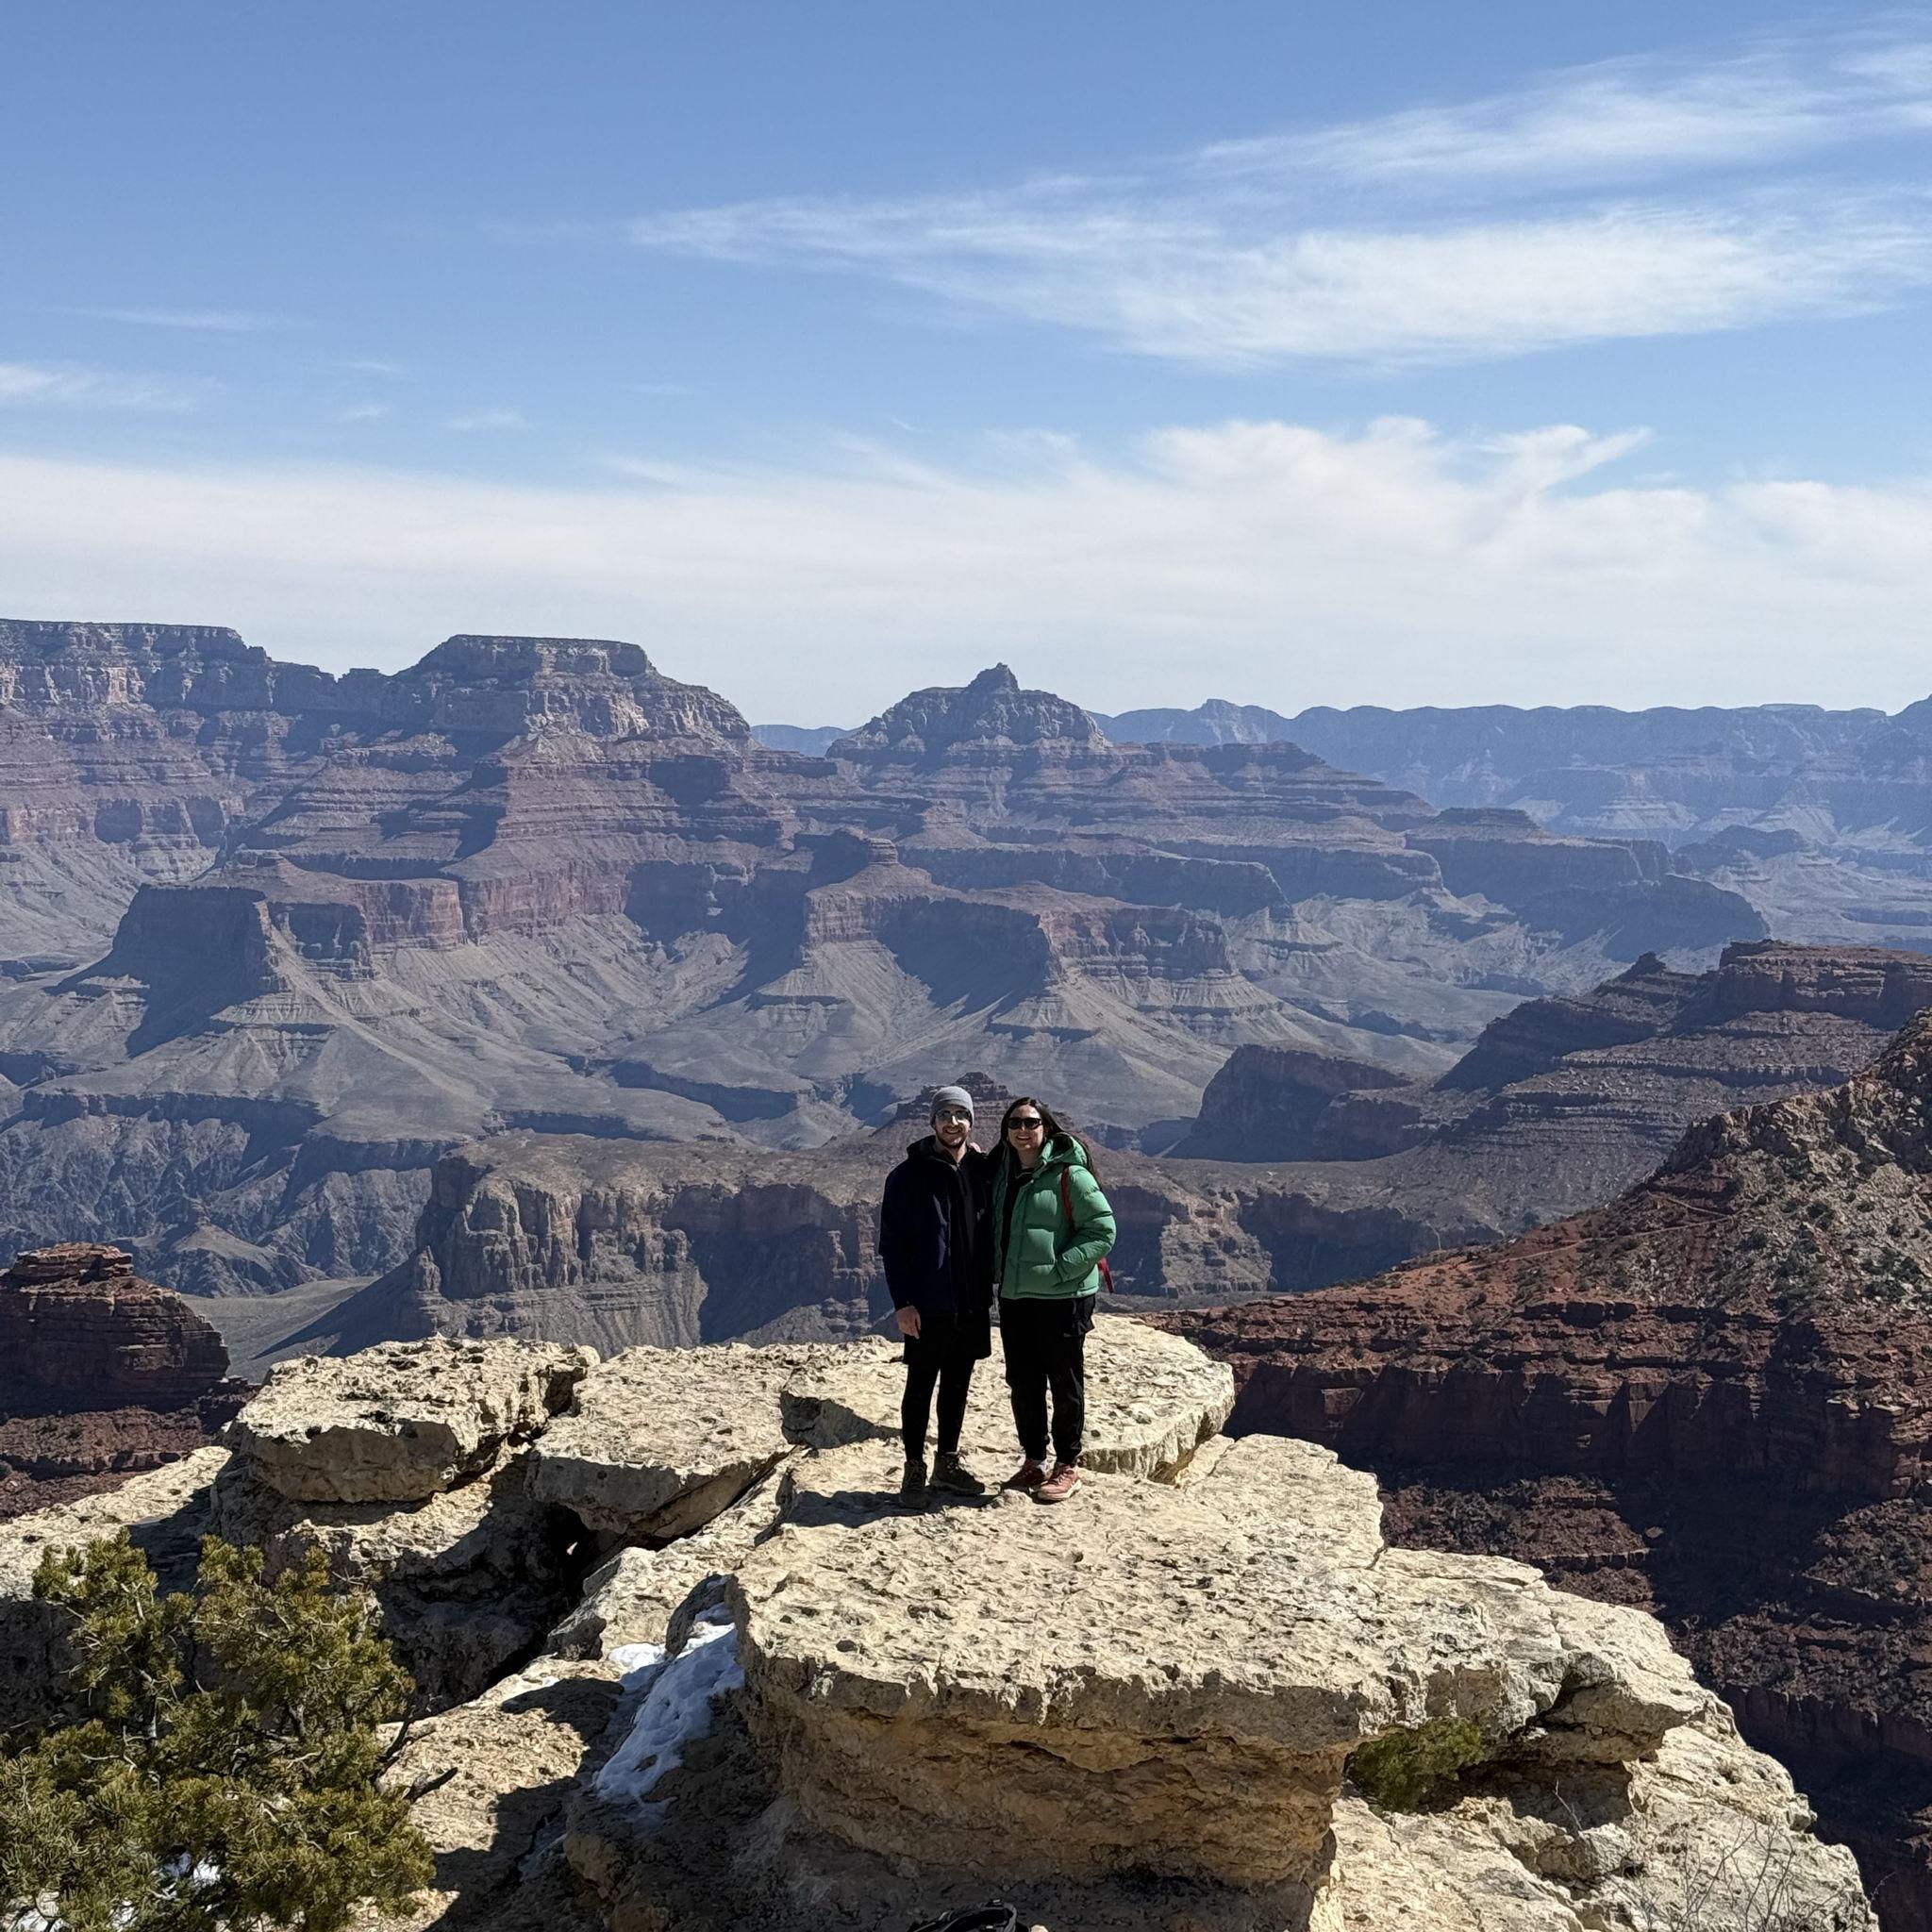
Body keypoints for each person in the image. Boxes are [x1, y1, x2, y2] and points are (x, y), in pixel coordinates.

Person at [989, 1096, 1115, 1505]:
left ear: (1047, 1128)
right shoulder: (1002, 1175)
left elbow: (1102, 1230)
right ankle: (1034, 1460)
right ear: (1006, 1131)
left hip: (1063, 1298)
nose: (1023, 1131)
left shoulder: (1070, 1174)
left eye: (1031, 1122)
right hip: (1015, 1295)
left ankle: (1067, 1464)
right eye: (1014, 1123)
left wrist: (1061, 1270)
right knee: (1023, 1382)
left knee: (1064, 1381)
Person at [879, 1083, 993, 1509]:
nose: (953, 1122)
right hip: (926, 1302)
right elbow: (892, 1245)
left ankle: (947, 1461)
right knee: (920, 1384)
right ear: (932, 1121)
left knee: (958, 1384)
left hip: (971, 1300)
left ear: (970, 1122)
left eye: (960, 1115)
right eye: (945, 1114)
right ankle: (913, 1467)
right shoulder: (907, 1177)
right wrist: (903, 1303)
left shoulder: (980, 1170)